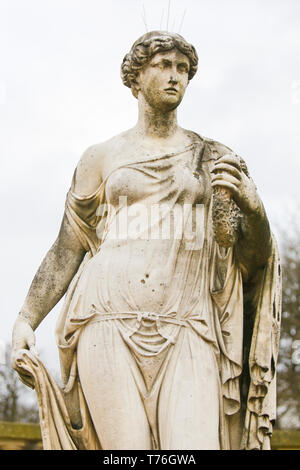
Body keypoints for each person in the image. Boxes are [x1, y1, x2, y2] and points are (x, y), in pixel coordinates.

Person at [11, 31, 281, 450]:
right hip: (106, 317)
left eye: (183, 69)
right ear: (135, 78)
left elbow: (254, 258)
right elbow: (67, 248)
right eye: (163, 65)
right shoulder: (100, 157)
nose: (175, 77)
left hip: (190, 321)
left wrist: (254, 207)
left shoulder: (213, 156)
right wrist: (27, 317)